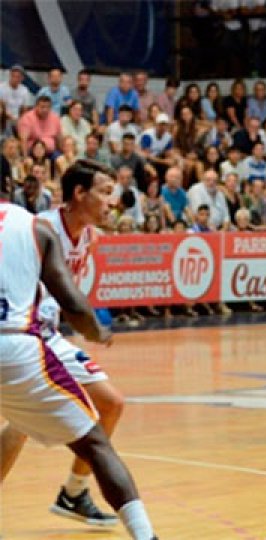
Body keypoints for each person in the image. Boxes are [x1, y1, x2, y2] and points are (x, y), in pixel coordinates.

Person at [1, 160, 157, 535]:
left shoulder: (88, 236)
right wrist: (93, 328)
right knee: (29, 423)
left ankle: (73, 491)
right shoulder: (42, 226)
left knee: (110, 403)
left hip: (45, 334)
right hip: (31, 334)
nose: (111, 201)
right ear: (78, 194)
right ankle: (78, 497)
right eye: (104, 192)